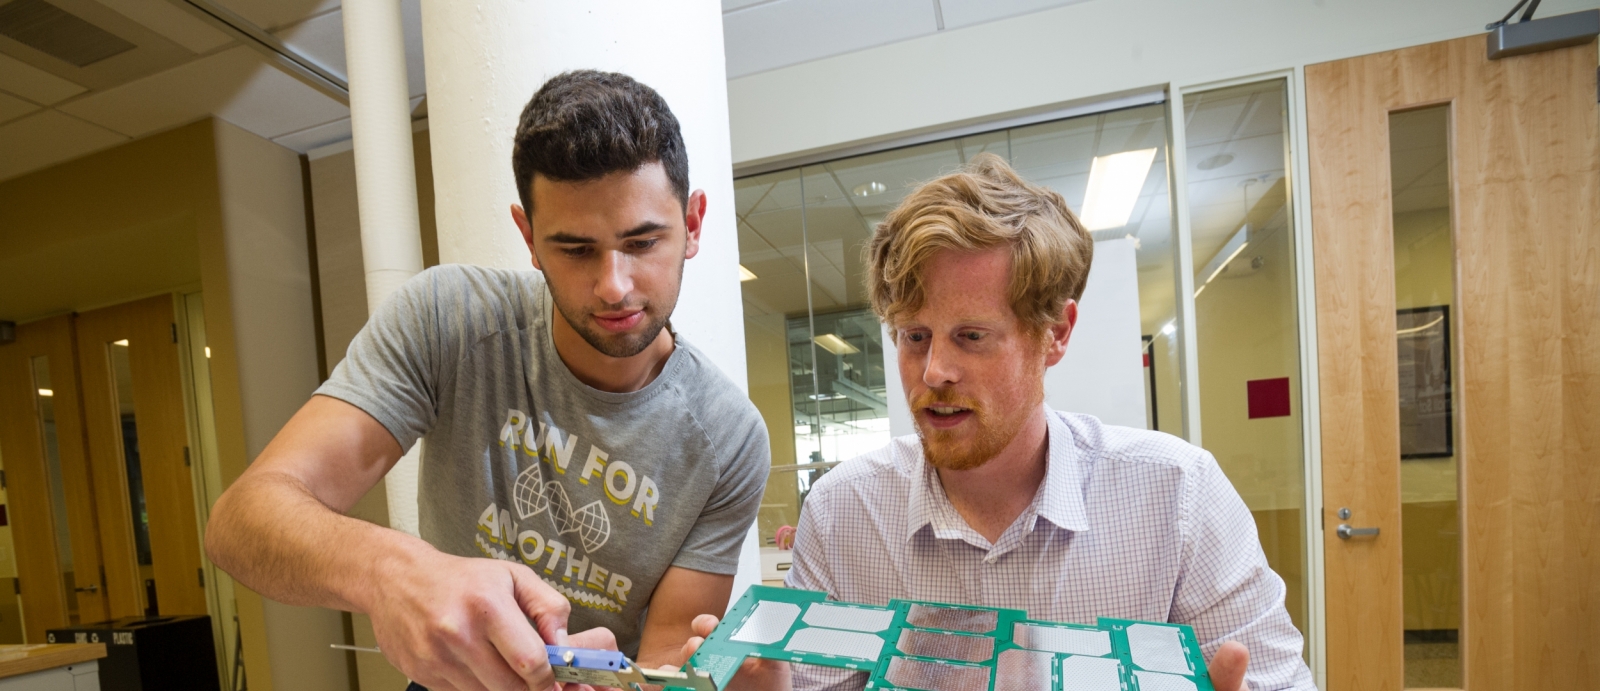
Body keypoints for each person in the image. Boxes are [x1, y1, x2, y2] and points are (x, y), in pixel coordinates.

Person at [205, 70, 770, 691]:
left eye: (642, 242)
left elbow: (663, 659)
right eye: (575, 250)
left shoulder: (727, 437)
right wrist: (395, 572)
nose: (614, 285)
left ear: (692, 223)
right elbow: (243, 521)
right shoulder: (449, 319)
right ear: (529, 237)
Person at [679, 154, 1314, 690]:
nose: (934, 372)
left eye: (973, 336)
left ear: (1056, 333)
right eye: (914, 336)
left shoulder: (1178, 495)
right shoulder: (844, 512)